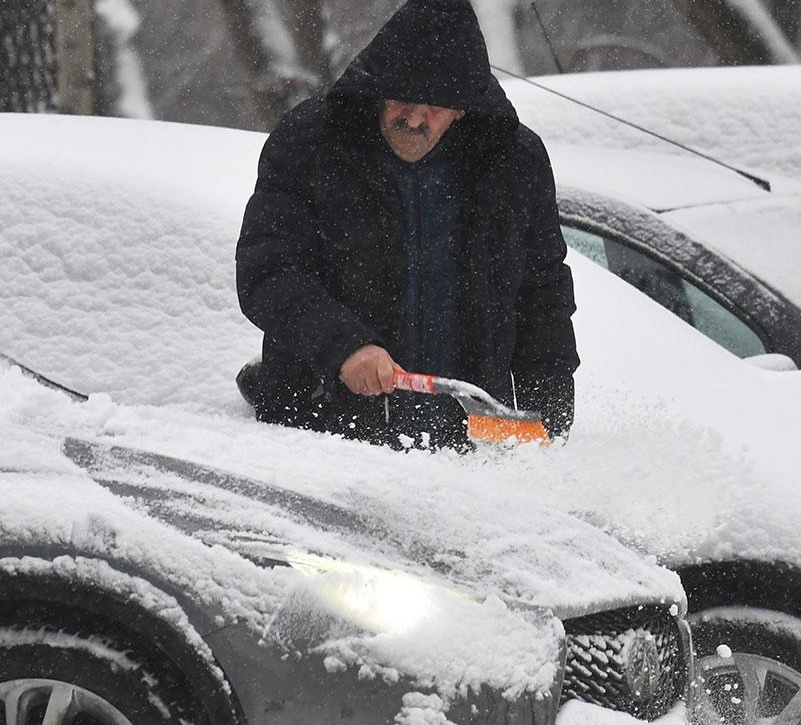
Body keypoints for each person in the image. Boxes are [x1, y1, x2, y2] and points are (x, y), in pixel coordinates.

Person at [234, 0, 578, 450]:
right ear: (378, 88)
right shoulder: (312, 143)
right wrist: (344, 347)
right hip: (322, 437)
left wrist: (547, 417)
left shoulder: (512, 163)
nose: (415, 118)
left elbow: (543, 296)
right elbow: (268, 271)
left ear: (464, 108)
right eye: (404, 97)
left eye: (436, 105)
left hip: (467, 446)